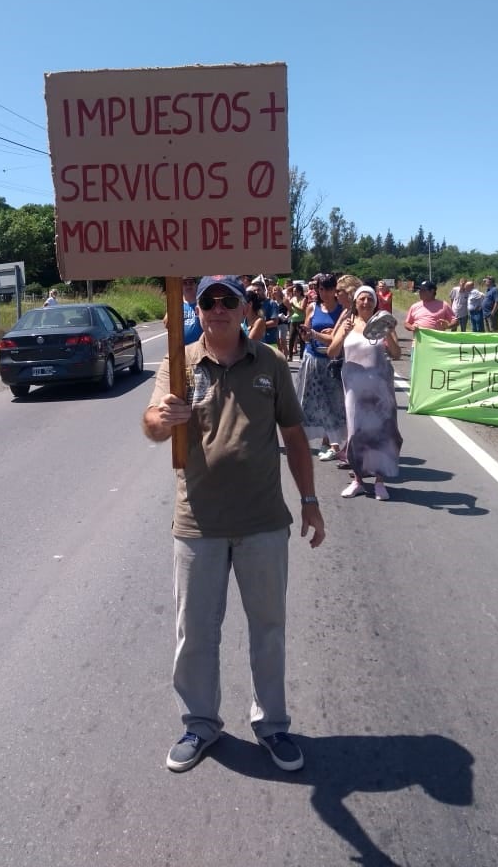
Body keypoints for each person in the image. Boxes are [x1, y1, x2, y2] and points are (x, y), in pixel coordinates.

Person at [142, 275, 325, 774]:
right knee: (196, 632)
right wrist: (166, 417)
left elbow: (294, 433)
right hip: (197, 523)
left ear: (244, 309)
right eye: (209, 302)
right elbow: (152, 424)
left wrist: (309, 499)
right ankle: (201, 723)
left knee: (268, 629)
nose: (219, 309)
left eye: (228, 301)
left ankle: (271, 725)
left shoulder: (268, 363)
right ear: (198, 311)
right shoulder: (179, 363)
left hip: (264, 521)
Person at [328, 285, 402, 501]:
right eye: (362, 299)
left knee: (382, 434)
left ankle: (380, 482)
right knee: (356, 434)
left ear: (375, 302)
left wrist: (389, 336)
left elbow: (396, 354)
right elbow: (332, 352)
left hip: (381, 390)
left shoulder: (383, 323)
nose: (366, 302)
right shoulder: (347, 324)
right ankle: (358, 481)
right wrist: (342, 333)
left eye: (370, 299)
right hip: (354, 391)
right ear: (355, 302)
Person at [295, 273, 346, 462]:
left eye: (328, 289)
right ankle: (326, 442)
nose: (324, 293)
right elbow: (306, 332)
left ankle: (331, 442)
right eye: (321, 289)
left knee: (332, 400)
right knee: (313, 400)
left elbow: (337, 337)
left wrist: (323, 334)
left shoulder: (342, 310)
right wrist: (306, 335)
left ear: (335, 290)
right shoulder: (312, 307)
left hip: (332, 361)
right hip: (312, 357)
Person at [163, 276, 202, 345]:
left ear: (196, 285)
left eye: (191, 283)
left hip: (200, 348)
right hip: (181, 349)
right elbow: (167, 325)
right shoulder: (177, 305)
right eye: (185, 283)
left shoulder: (202, 303)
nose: (188, 285)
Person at [249, 278, 279, 347]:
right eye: (254, 290)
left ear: (264, 290)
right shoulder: (252, 305)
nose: (256, 292)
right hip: (256, 342)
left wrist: (256, 326)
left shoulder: (271, 303)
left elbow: (274, 322)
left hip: (270, 342)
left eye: (259, 290)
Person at [288, 282, 307, 361]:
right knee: (291, 338)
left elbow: (302, 309)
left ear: (300, 292)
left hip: (301, 320)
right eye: (293, 291)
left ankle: (302, 356)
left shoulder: (304, 299)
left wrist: (293, 305)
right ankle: (290, 356)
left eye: (296, 291)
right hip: (293, 320)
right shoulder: (293, 299)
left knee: (301, 339)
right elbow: (291, 310)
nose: (294, 293)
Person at [273, 285, 290, 357]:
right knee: (277, 342)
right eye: (274, 290)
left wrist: (287, 317)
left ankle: (285, 357)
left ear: (280, 292)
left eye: (276, 290)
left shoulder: (284, 300)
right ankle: (281, 358)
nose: (274, 292)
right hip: (276, 324)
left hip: (283, 323)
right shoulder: (273, 302)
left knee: (282, 341)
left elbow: (291, 311)